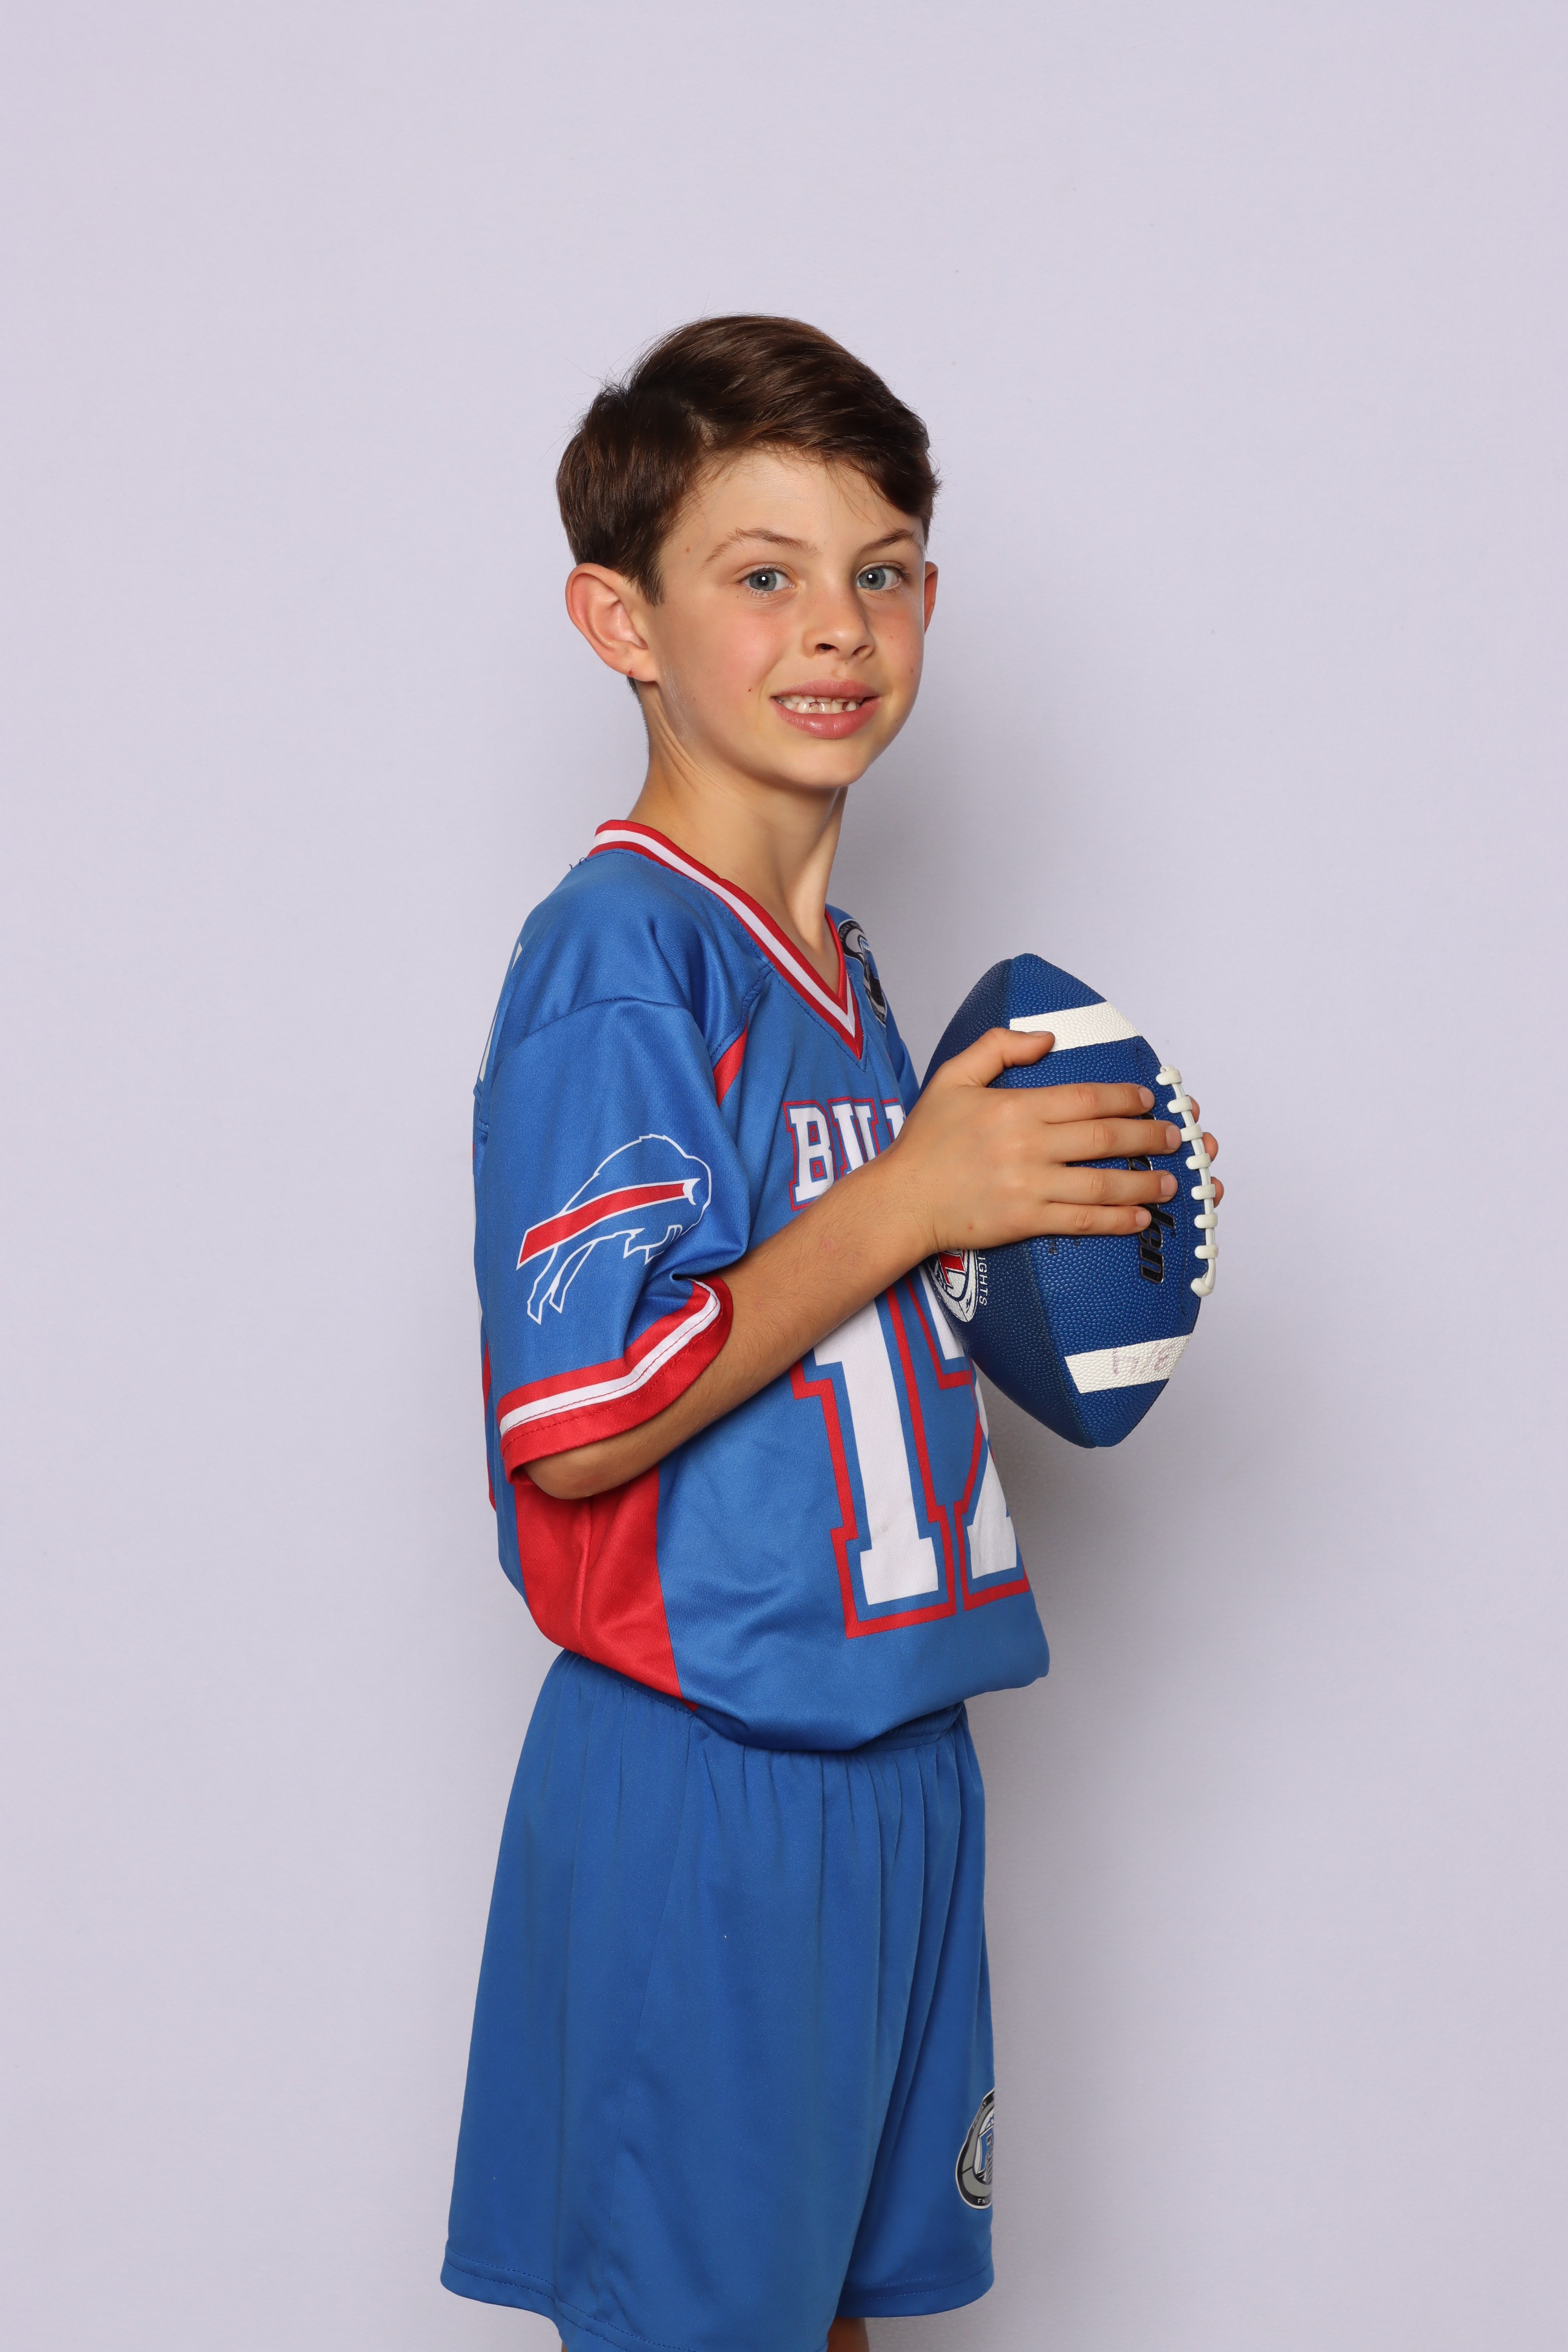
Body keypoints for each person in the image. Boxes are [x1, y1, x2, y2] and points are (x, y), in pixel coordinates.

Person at [441, 316, 1221, 2352]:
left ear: (931, 600)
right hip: (712, 1771)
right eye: (762, 573)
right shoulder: (623, 954)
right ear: (619, 619)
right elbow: (582, 1415)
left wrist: (1059, 1223)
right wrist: (915, 1201)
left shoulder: (854, 980)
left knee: (833, 2320)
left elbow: (841, 1338)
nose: (835, 627)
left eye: (879, 571)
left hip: (895, 1757)